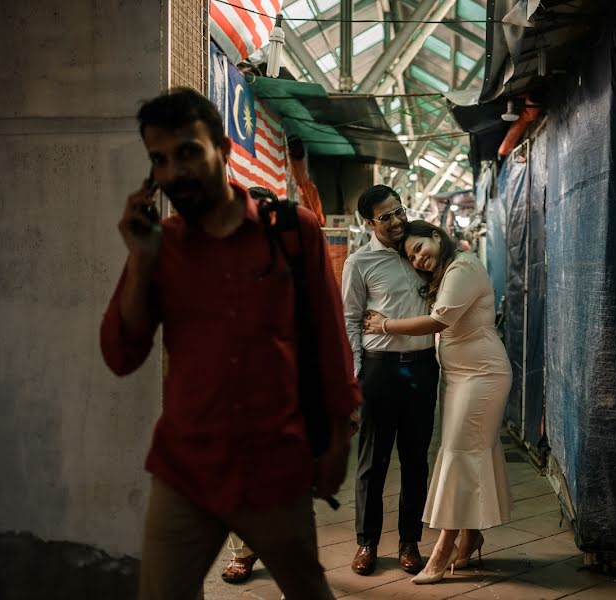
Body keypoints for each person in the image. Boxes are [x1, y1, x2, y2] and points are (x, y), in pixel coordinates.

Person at [100, 87, 360, 600]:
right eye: (160, 159)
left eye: (188, 152)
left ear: (222, 146)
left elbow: (329, 340)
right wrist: (141, 261)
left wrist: (338, 436)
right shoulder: (162, 246)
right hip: (184, 473)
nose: (175, 171)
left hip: (275, 469)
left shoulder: (291, 232)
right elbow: (120, 355)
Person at [363, 220, 512, 585]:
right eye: (411, 256)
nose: (417, 259)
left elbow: (438, 321)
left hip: (483, 376)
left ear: (436, 236)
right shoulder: (446, 272)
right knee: (467, 453)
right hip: (460, 377)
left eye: (419, 248)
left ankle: (443, 549)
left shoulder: (464, 266)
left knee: (461, 455)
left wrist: (385, 326)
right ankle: (471, 534)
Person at [341, 185, 439, 576]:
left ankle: (410, 542)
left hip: (421, 366)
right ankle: (367, 543)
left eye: (399, 211)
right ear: (369, 223)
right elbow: (350, 319)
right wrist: (354, 375)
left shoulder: (418, 252)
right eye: (387, 216)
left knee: (416, 459)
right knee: (372, 462)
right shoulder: (360, 262)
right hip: (379, 369)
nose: (397, 221)